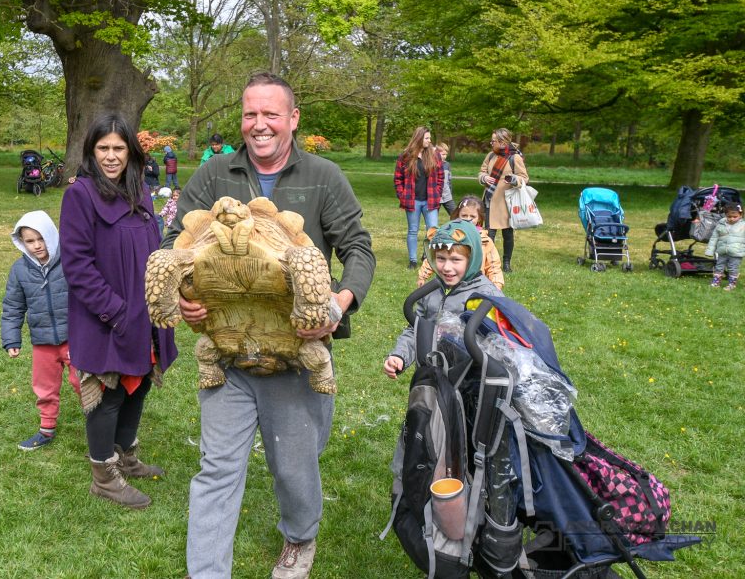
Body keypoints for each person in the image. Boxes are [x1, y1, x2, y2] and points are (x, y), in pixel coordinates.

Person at [163, 72, 375, 579]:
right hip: (228, 349)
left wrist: (337, 304)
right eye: (249, 114)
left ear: (293, 119)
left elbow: (359, 249)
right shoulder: (215, 174)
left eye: (270, 115)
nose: (259, 125)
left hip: (295, 350)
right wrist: (183, 297)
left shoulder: (323, 177)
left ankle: (300, 538)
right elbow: (175, 241)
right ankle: (207, 572)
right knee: (217, 470)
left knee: (295, 468)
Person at [59, 114, 178, 509]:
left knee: (140, 382)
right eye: (103, 148)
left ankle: (126, 455)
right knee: (108, 392)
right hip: (107, 317)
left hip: (145, 315)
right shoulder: (80, 195)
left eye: (119, 148)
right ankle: (104, 476)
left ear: (131, 152)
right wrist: (116, 311)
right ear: (92, 152)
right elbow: (77, 264)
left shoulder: (140, 191)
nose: (111, 157)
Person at [384, 219, 504, 378]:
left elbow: (500, 344)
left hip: (470, 384)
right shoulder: (429, 291)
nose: (447, 267)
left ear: (472, 259)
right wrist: (399, 356)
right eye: (441, 258)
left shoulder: (487, 295)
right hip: (432, 379)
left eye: (456, 260)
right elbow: (416, 328)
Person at [1, 210, 79, 451]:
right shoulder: (19, 270)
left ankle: (99, 425)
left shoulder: (71, 261)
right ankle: (46, 429)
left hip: (75, 339)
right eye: (30, 241)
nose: (36, 246)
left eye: (40, 239)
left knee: (83, 383)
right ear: (22, 243)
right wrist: (11, 338)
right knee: (44, 387)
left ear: (51, 235)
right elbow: (13, 306)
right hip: (42, 341)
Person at [416, 195, 504, 290]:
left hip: (477, 286)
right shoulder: (451, 236)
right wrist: (422, 276)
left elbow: (493, 265)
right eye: (464, 215)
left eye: (472, 216)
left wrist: (496, 285)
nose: (467, 219)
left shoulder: (485, 240)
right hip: (452, 285)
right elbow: (434, 257)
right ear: (458, 215)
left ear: (479, 218)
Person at [394, 126, 444, 269]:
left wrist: (438, 192)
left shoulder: (435, 155)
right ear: (419, 138)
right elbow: (398, 179)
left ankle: (428, 258)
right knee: (412, 230)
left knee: (432, 230)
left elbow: (441, 177)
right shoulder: (406, 156)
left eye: (429, 138)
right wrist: (402, 196)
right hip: (412, 200)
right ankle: (413, 260)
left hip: (430, 200)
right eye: (427, 138)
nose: (429, 140)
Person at [478, 128, 528, 273]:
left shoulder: (515, 158)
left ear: (502, 142)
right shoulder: (490, 156)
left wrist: (514, 179)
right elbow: (482, 171)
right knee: (488, 234)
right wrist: (484, 177)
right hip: (490, 199)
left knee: (507, 234)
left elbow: (524, 178)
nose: (491, 143)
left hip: (507, 202)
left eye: (493, 141)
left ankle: (506, 263)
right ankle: (488, 263)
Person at [706, 202, 744, 291]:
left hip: (736, 252)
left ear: (741, 215)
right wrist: (709, 250)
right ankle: (716, 283)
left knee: (733, 268)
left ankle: (731, 284)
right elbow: (714, 238)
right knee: (719, 266)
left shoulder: (743, 226)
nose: (731, 219)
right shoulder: (721, 224)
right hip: (722, 251)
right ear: (725, 215)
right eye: (729, 216)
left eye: (735, 217)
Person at [438, 142, 456, 215]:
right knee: (432, 217)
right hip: (436, 197)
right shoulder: (432, 165)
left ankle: (458, 226)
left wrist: (450, 192)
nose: (444, 156)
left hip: (447, 195)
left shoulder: (447, 165)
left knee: (455, 214)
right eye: (443, 154)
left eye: (446, 154)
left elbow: (449, 180)